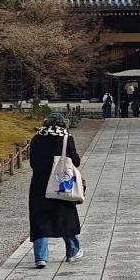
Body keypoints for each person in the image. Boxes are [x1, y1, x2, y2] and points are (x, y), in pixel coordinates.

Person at [28, 112, 83, 267]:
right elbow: (76, 162)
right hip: (61, 185)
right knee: (66, 218)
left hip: (39, 185)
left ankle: (41, 257)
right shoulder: (66, 138)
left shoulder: (36, 139)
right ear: (62, 124)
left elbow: (33, 163)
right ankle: (72, 251)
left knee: (40, 221)